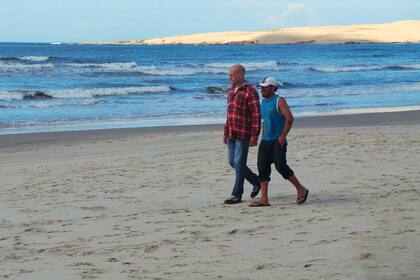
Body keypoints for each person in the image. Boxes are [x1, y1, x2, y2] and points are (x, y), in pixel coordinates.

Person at [249, 76, 309, 207]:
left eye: (264, 87)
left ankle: (301, 189)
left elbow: (289, 118)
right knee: (262, 168)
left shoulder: (279, 101)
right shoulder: (263, 102)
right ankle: (264, 198)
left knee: (281, 166)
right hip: (265, 141)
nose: (262, 90)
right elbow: (264, 121)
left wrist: (283, 136)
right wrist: (258, 136)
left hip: (278, 141)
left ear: (272, 87)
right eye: (261, 87)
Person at [223, 64, 262, 204]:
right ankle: (256, 181)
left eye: (232, 75)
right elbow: (229, 114)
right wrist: (226, 131)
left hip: (243, 132)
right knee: (233, 162)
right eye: (229, 75)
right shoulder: (230, 91)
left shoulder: (249, 91)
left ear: (241, 75)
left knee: (239, 163)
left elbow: (256, 114)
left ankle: (236, 194)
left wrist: (254, 135)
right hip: (232, 132)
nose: (229, 77)